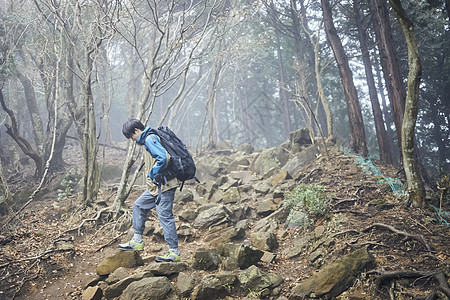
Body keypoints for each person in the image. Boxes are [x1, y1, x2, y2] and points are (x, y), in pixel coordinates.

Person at [118, 119, 180, 262]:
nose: (132, 140)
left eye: (131, 136)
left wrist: (153, 173)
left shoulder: (150, 138)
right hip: (155, 188)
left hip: (164, 186)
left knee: (165, 216)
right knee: (139, 205)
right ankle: (137, 241)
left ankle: (174, 253)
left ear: (136, 131)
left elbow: (164, 158)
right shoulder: (148, 140)